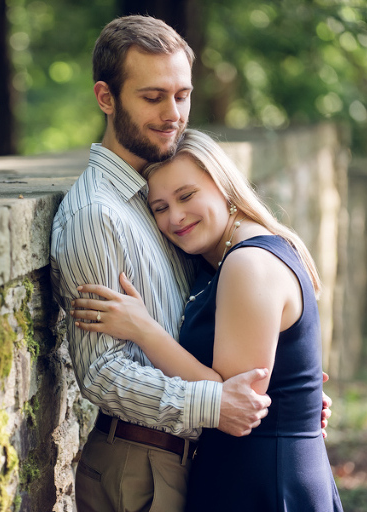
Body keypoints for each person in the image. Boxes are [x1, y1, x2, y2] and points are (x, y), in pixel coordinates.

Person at [50, 15, 278, 512]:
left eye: (182, 94)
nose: (173, 113)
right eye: (152, 97)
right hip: (140, 470)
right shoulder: (97, 214)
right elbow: (102, 372)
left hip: (195, 459)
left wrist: (281, 399)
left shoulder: (160, 196)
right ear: (106, 98)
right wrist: (218, 404)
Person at [70, 128, 343, 511]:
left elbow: (234, 399)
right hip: (242, 467)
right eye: (159, 207)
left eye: (186, 195)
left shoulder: (246, 263)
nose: (175, 217)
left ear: (223, 185)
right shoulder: (214, 261)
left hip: (261, 477)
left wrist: (143, 329)